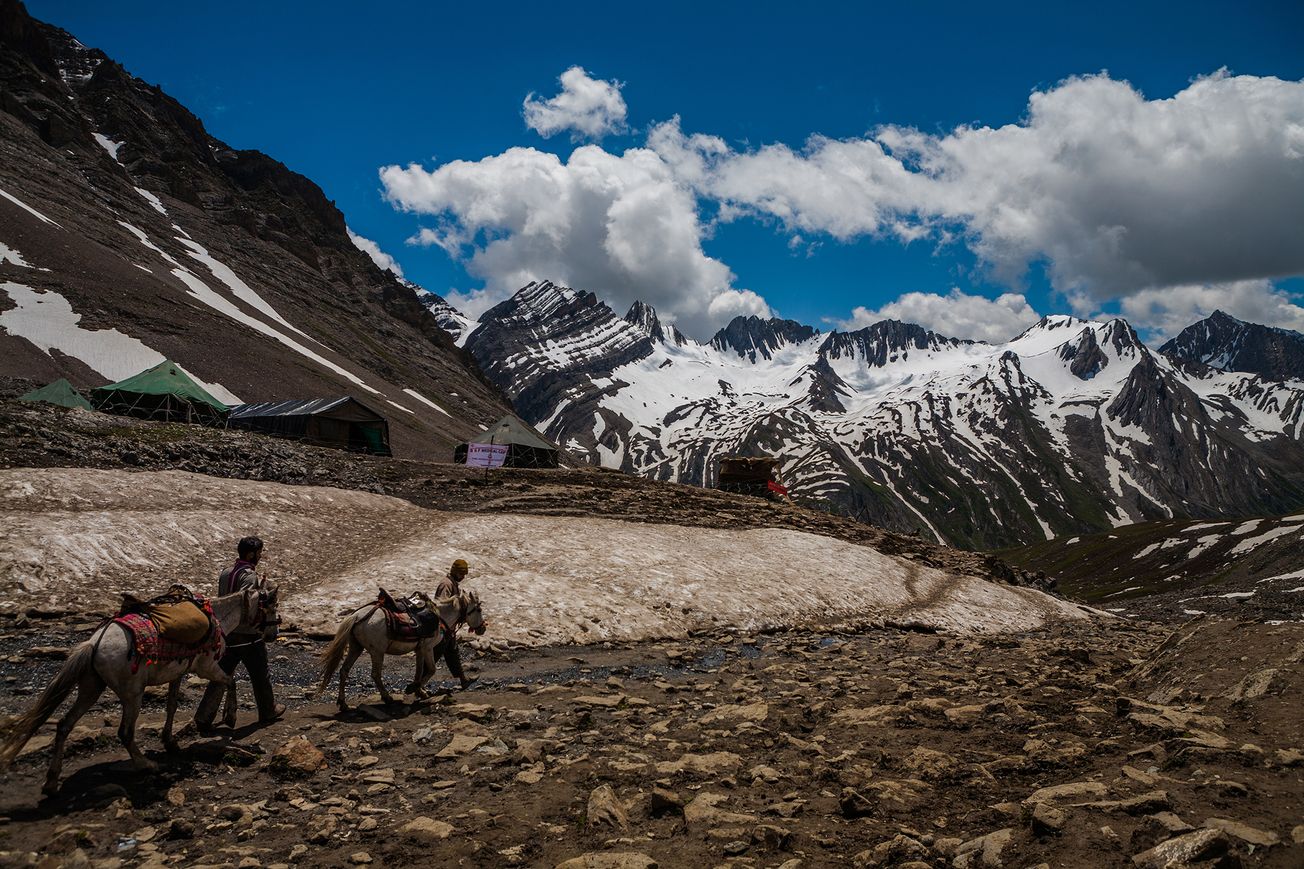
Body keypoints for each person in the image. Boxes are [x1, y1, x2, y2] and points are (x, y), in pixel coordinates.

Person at [193, 536, 284, 732]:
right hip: (247, 633)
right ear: (251, 554)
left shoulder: (226, 573)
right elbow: (246, 604)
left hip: (228, 633)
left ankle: (204, 715)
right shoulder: (250, 576)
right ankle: (268, 710)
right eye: (259, 553)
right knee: (260, 675)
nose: (260, 556)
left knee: (220, 673)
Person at [435, 558, 477, 690]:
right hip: (442, 628)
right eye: (461, 574)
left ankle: (463, 680)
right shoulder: (446, 584)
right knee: (435, 655)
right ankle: (418, 683)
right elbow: (441, 605)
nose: (463, 577)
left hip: (449, 628)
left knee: (453, 652)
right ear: (455, 572)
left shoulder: (453, 584)